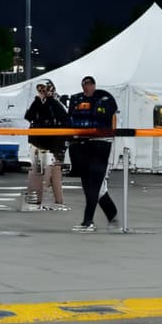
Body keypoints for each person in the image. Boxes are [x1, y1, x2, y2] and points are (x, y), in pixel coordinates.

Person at [66, 76, 118, 231]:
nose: (87, 88)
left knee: (94, 185)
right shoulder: (76, 99)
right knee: (93, 186)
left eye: (90, 84)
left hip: (101, 144)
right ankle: (112, 216)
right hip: (82, 144)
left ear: (94, 85)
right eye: (85, 85)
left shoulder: (105, 97)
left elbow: (103, 114)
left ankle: (88, 221)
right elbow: (71, 118)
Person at [24, 79, 70, 211]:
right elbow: (28, 116)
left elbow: (64, 119)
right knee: (37, 172)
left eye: (45, 89)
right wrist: (38, 101)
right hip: (38, 143)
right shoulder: (37, 103)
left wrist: (49, 100)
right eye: (40, 90)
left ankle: (59, 202)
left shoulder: (56, 103)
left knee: (54, 174)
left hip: (53, 145)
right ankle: (36, 201)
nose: (42, 92)